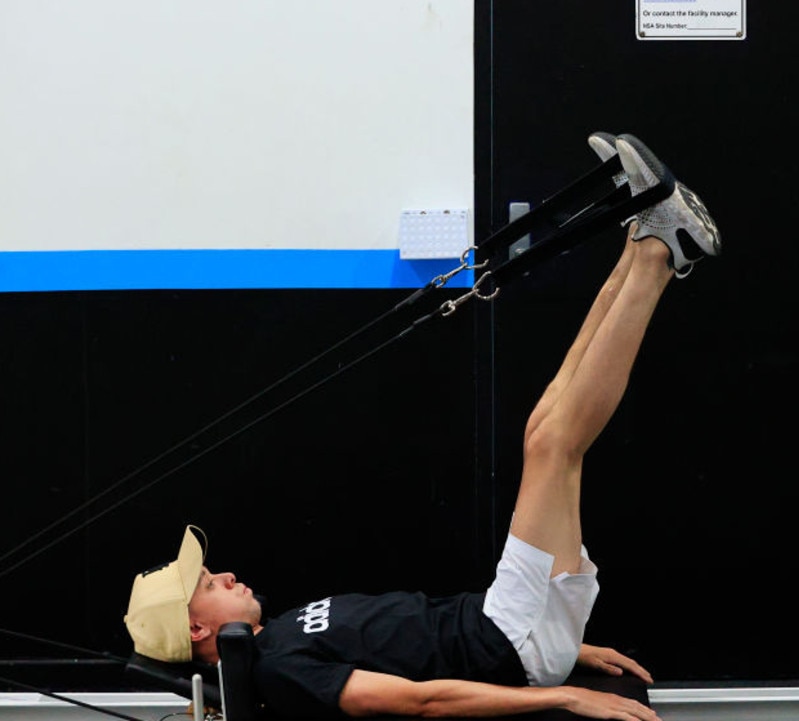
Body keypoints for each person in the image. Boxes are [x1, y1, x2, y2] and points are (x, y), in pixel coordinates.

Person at [122, 132, 722, 720]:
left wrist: (570, 651)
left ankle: (647, 237)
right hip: (504, 638)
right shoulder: (281, 670)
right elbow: (422, 700)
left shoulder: (278, 635)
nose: (225, 573)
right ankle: (657, 255)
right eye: (208, 582)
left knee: (546, 428)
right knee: (552, 444)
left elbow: (417, 638)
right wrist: (563, 692)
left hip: (507, 625)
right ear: (198, 627)